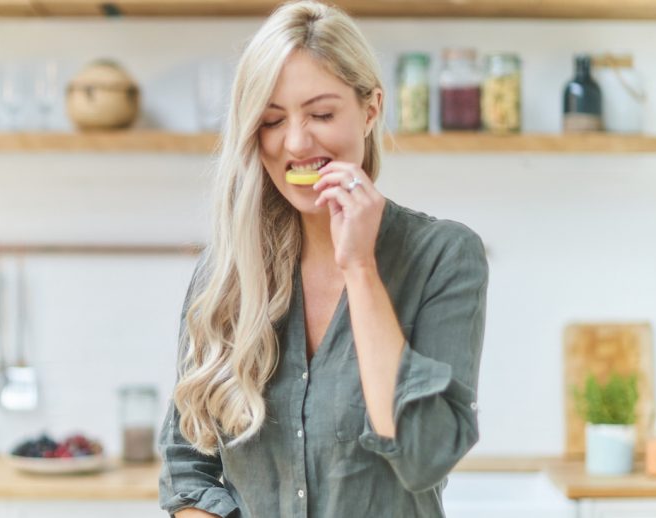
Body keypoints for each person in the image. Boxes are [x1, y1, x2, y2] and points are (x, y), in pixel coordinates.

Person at [158, 1, 489, 517]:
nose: (295, 142)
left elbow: (424, 456)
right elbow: (187, 469)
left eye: (321, 114)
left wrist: (360, 267)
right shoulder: (223, 273)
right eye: (271, 120)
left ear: (371, 108)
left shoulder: (444, 257)